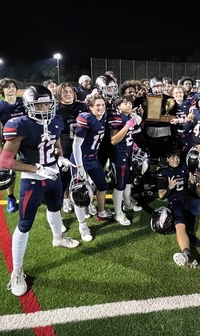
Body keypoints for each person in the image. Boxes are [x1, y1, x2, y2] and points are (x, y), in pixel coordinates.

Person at [1, 85, 79, 297]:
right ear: (29, 106)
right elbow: (5, 160)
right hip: (33, 179)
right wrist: (36, 168)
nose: (44, 108)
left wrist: (60, 156)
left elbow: (55, 141)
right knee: (25, 224)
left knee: (55, 210)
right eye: (39, 104)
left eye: (47, 103)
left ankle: (58, 238)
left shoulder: (55, 120)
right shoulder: (20, 125)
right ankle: (17, 271)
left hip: (53, 174)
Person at [70, 92, 113, 241]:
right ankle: (82, 225)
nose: (101, 108)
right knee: (79, 193)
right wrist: (80, 166)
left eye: (102, 105)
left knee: (102, 185)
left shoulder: (104, 116)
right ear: (90, 107)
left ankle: (101, 212)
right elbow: (76, 144)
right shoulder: (86, 118)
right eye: (97, 106)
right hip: (80, 159)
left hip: (93, 158)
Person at [0, 78, 26, 213]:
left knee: (31, 164)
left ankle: (34, 192)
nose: (11, 89)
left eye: (13, 86)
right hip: (9, 141)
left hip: (27, 140)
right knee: (9, 169)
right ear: (2, 90)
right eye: (7, 87)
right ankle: (10, 197)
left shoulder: (23, 102)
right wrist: (0, 150)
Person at [55, 82, 89, 217]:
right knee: (65, 176)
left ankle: (82, 199)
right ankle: (66, 198)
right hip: (65, 146)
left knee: (82, 175)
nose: (68, 94)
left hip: (82, 146)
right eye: (64, 92)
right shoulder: (56, 109)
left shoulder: (82, 106)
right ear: (58, 95)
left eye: (70, 91)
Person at [107, 95, 143, 226]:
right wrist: (127, 127)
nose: (128, 105)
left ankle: (127, 204)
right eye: (125, 103)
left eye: (129, 103)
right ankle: (118, 213)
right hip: (119, 154)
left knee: (128, 181)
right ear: (118, 107)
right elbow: (114, 140)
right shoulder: (115, 118)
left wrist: (134, 147)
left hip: (128, 152)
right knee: (120, 184)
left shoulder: (129, 117)